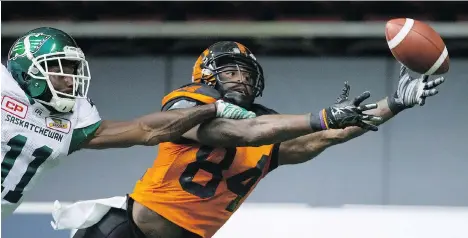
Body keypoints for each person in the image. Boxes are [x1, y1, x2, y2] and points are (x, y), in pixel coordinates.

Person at [51, 41, 444, 238]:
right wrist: (320, 117)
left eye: (245, 72)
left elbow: (324, 137)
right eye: (230, 70)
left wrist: (393, 103)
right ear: (205, 74)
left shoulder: (267, 122)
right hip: (127, 234)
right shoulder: (191, 103)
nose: (240, 78)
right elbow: (234, 132)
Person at [1, 29, 259, 218]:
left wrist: (211, 109)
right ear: (29, 69)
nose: (70, 81)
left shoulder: (74, 117)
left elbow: (146, 130)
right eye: (61, 70)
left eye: (73, 70)